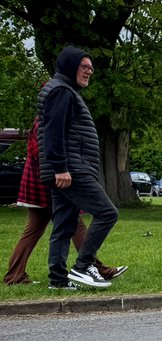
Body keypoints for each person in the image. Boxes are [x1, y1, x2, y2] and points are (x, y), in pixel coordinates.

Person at [4, 117, 125, 285]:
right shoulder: (48, 119)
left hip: (42, 181)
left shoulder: (45, 118)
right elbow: (42, 152)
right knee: (72, 225)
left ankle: (15, 275)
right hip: (48, 182)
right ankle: (91, 268)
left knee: (38, 230)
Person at [38, 45, 119, 289]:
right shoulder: (61, 92)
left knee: (63, 225)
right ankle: (82, 267)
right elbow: (53, 133)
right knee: (107, 213)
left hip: (68, 168)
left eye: (91, 68)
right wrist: (61, 168)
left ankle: (58, 280)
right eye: (84, 67)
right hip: (71, 169)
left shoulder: (63, 91)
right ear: (70, 66)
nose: (89, 72)